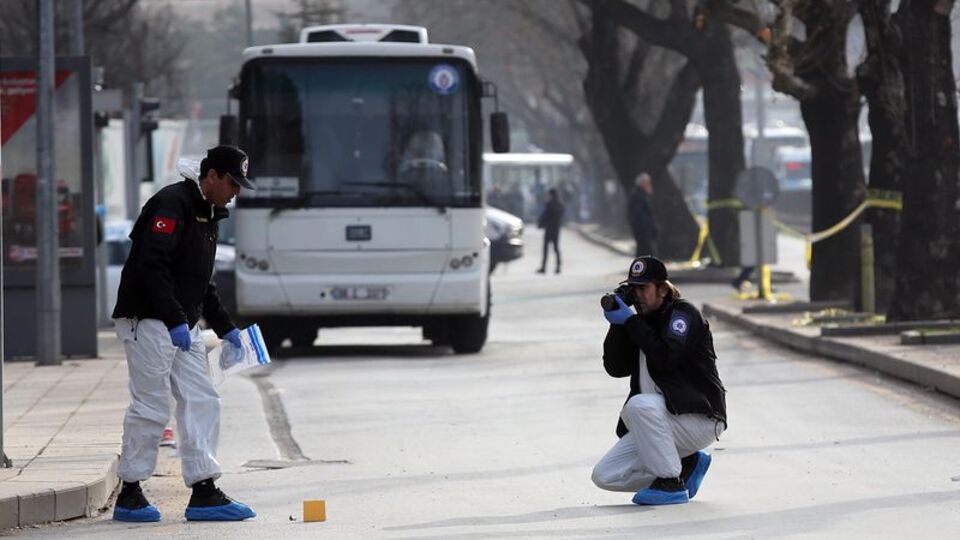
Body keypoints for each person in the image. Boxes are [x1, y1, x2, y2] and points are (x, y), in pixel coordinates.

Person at [110, 145, 257, 523]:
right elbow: (151, 265)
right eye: (231, 183)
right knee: (151, 406)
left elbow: (200, 283)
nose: (236, 192)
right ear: (210, 177)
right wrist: (174, 318)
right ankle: (130, 493)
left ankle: (204, 490)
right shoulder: (171, 204)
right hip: (147, 319)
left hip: (181, 323)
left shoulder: (209, 212)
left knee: (202, 399)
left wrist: (226, 329)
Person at [593, 255, 727, 505]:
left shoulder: (683, 314)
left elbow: (667, 359)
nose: (637, 295)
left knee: (637, 406)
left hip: (698, 418)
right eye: (633, 289)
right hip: (663, 420)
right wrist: (618, 326)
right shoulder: (639, 322)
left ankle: (670, 484)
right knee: (604, 476)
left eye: (643, 288)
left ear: (663, 289)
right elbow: (615, 368)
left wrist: (631, 322)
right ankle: (688, 463)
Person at [627, 173, 658, 257]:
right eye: (647, 183)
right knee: (646, 255)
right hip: (643, 233)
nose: (649, 185)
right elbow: (639, 216)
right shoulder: (637, 196)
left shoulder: (642, 195)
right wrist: (646, 231)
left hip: (645, 232)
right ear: (642, 183)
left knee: (644, 255)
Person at [537, 187, 565, 274]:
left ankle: (544, 267)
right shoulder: (560, 204)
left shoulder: (549, 204)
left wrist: (540, 224)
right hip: (556, 228)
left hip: (549, 229)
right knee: (556, 248)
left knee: (546, 249)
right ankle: (558, 267)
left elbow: (545, 215)